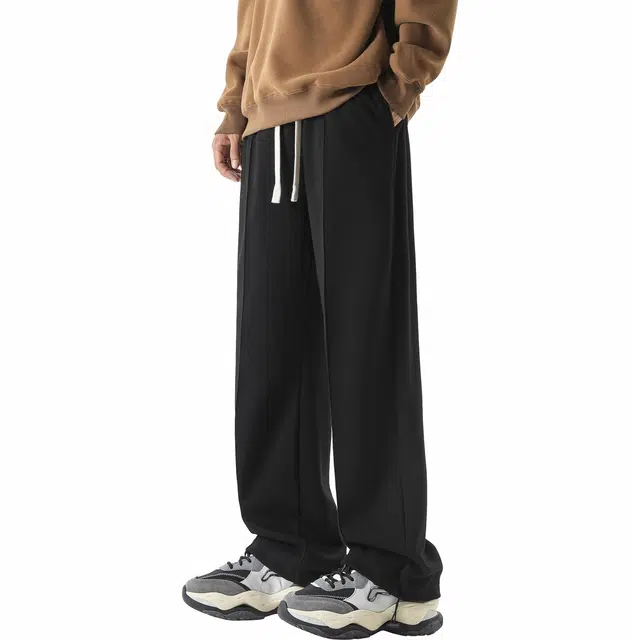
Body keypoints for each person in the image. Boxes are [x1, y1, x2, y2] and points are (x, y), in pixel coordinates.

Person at [182, 0, 458, 636]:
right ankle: (291, 546)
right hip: (267, 124)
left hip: (352, 103)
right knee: (271, 344)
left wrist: (400, 83)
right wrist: (236, 104)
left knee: (366, 339)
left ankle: (394, 572)